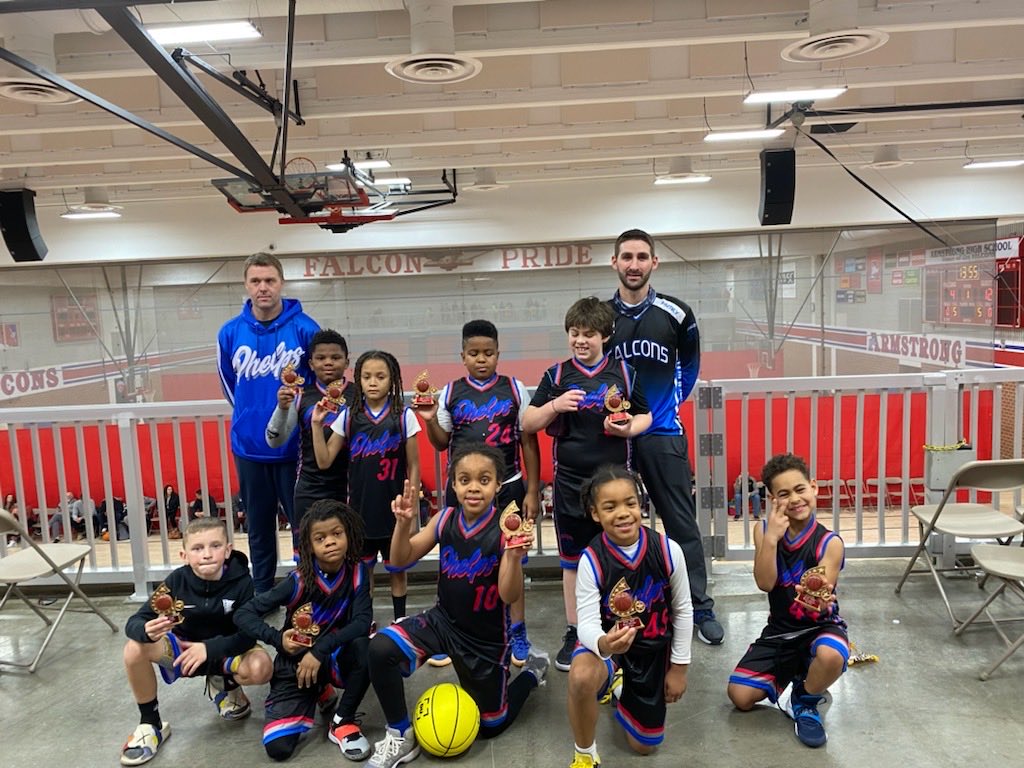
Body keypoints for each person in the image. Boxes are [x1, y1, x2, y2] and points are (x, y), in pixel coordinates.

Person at [366, 445, 548, 768]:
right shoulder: (445, 518)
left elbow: (508, 595)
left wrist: (513, 557)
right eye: (465, 480)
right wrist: (403, 524)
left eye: (484, 480)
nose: (474, 487)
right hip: (442, 622)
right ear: (453, 484)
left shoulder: (506, 529)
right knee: (380, 648)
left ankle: (532, 673)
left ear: (498, 484)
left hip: (485, 640)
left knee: (491, 726)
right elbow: (399, 560)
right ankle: (400, 733)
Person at [606, 228, 724, 645]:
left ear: (654, 262)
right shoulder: (601, 317)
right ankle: (618, 605)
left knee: (681, 524)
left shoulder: (677, 313)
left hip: (663, 433)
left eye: (642, 257)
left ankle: (699, 607)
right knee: (614, 522)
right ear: (614, 262)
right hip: (614, 437)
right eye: (626, 257)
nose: (633, 264)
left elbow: (689, 368)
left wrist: (664, 408)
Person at [522, 296, 651, 672]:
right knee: (573, 562)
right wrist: (554, 406)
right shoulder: (557, 376)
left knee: (623, 554)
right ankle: (576, 631)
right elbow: (528, 422)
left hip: (616, 486)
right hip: (570, 485)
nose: (580, 340)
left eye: (589, 334)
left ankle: (623, 624)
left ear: (605, 335)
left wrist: (628, 427)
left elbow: (645, 415)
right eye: (575, 333)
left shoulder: (624, 372)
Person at [419, 319, 541, 667]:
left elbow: (528, 441)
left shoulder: (515, 389)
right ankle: (450, 628)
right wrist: (430, 420)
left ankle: (517, 629)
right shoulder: (451, 392)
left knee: (514, 558)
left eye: (488, 352)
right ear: (463, 356)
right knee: (457, 561)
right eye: (474, 353)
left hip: (509, 485)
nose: (481, 359)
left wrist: (533, 489)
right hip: (464, 491)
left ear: (498, 354)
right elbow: (441, 443)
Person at [120, 518, 273, 766]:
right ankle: (150, 724)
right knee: (134, 649)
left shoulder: (243, 582)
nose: (207, 554)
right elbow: (135, 621)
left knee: (261, 667)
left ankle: (224, 684)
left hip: (225, 652)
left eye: (215, 546)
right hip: (183, 653)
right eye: (197, 548)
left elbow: (248, 635)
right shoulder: (176, 582)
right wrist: (145, 631)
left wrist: (209, 649)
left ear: (228, 550)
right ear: (184, 555)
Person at [568, 465, 692, 767]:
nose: (623, 513)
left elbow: (683, 610)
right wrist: (604, 644)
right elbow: (586, 623)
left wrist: (679, 669)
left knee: (643, 747)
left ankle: (619, 688)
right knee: (581, 677)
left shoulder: (668, 550)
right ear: (595, 514)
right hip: (609, 650)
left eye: (630, 503)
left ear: (641, 504)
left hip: (652, 652)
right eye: (610, 507)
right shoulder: (591, 560)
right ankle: (584, 754)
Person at [234, 500, 373, 762]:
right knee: (279, 749)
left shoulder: (358, 572)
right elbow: (243, 614)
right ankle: (317, 689)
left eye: (337, 533)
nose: (330, 542)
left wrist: (319, 651)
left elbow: (362, 622)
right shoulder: (297, 581)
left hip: (333, 656)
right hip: (296, 665)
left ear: (349, 534)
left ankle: (342, 721)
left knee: (366, 648)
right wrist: (277, 639)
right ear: (309, 546)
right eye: (320, 538)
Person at [727, 453, 848, 748]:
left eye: (800, 489)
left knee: (831, 655)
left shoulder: (829, 542)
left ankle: (804, 699)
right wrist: (771, 539)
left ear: (814, 487)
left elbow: (821, 592)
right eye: (784, 494)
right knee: (740, 697)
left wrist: (821, 600)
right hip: (780, 630)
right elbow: (765, 583)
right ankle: (800, 672)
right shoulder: (763, 531)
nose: (794, 499)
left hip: (819, 627)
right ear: (772, 500)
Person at [217, 251, 320, 593]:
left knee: (303, 525)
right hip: (249, 447)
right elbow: (230, 386)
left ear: (281, 283)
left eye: (270, 280)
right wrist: (252, 414)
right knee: (259, 527)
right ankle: (261, 593)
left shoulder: (306, 329)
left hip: (295, 449)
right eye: (256, 281)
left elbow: (317, 384)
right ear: (246, 285)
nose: (263, 287)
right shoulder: (230, 333)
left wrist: (294, 421)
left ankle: (306, 590)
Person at [310, 350, 419, 624]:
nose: (373, 382)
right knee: (363, 572)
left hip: (395, 511)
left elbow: (415, 465)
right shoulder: (348, 416)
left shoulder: (404, 416)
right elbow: (324, 461)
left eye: (380, 376)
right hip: (360, 512)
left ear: (392, 380)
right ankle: (365, 621)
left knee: (398, 568)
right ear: (357, 379)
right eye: (366, 376)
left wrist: (413, 508)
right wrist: (316, 425)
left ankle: (400, 620)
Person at [266, 329, 356, 549]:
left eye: (335, 357)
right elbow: (274, 441)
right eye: (321, 358)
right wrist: (282, 408)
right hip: (310, 488)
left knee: (349, 552)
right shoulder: (299, 397)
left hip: (352, 487)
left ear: (347, 362)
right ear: (311, 363)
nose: (328, 362)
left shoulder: (360, 396)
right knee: (307, 553)